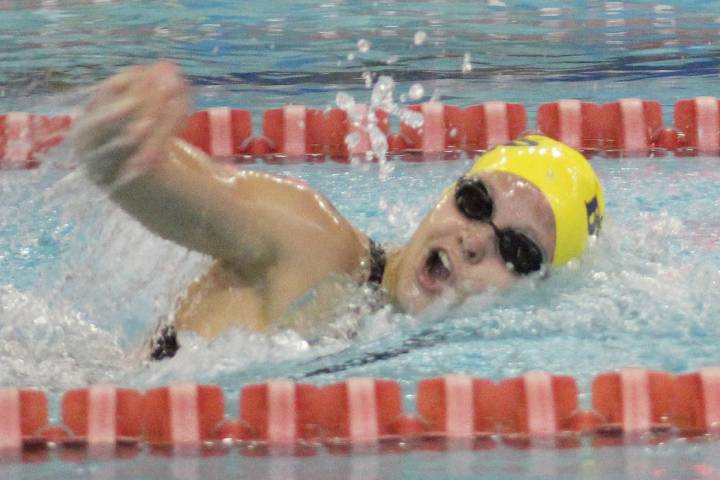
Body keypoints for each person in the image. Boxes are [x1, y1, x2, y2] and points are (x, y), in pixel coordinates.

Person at [72, 62, 605, 360]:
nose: (474, 239)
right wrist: (121, 137)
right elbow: (163, 183)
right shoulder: (314, 244)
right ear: (444, 195)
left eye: (516, 250)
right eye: (475, 203)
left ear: (541, 289)